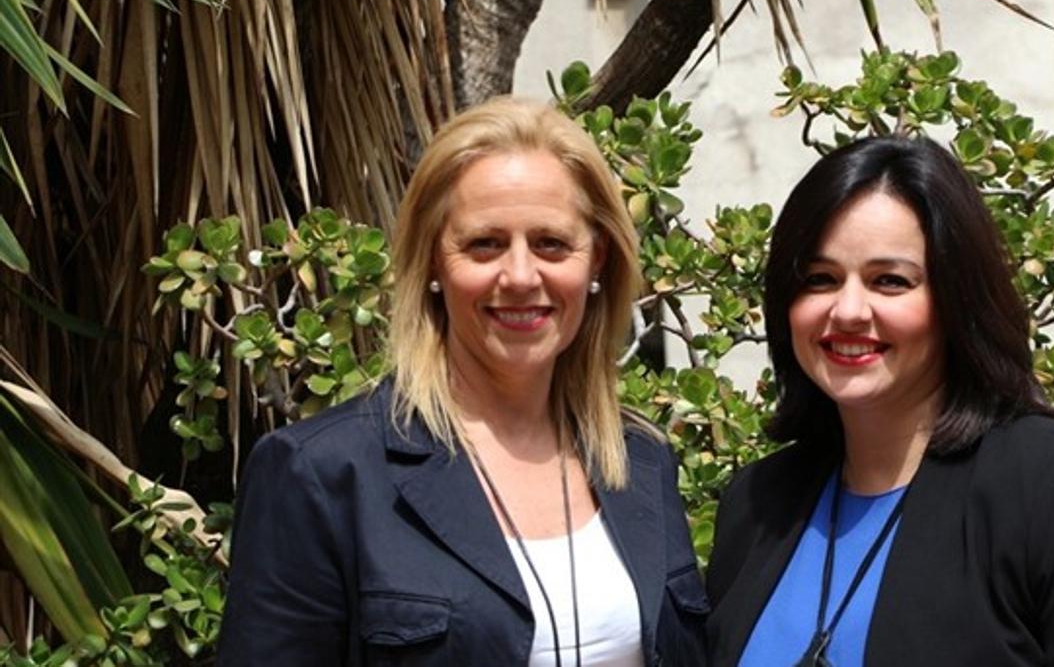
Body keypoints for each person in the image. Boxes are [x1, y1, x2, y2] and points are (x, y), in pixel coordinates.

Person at [218, 98, 708, 666]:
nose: (521, 276)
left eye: (551, 243)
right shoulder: (323, 475)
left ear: (596, 260)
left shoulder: (641, 461)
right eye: (485, 244)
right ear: (431, 261)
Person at [705, 136, 1054, 666]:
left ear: (956, 298)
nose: (848, 309)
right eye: (820, 280)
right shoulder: (758, 504)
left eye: (890, 281)